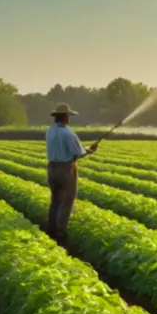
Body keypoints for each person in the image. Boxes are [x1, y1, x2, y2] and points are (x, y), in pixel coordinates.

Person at [45, 103, 98, 242]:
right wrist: (89, 150)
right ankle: (60, 234)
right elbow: (78, 153)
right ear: (65, 117)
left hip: (52, 168)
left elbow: (74, 149)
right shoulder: (68, 133)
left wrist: (85, 148)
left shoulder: (50, 131)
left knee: (55, 201)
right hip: (66, 169)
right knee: (66, 202)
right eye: (68, 116)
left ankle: (51, 230)